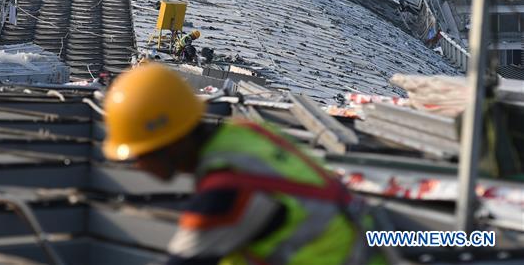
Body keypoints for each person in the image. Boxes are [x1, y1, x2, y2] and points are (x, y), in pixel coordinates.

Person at [102, 63, 385, 265]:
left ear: (171, 144)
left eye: (141, 154)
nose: (138, 166)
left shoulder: (225, 193)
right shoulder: (247, 134)